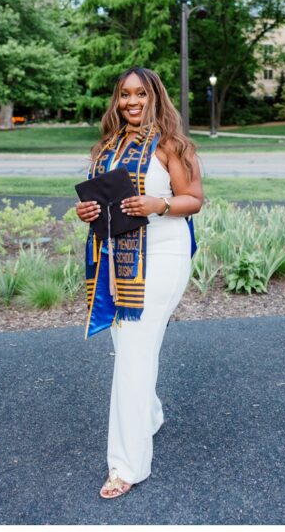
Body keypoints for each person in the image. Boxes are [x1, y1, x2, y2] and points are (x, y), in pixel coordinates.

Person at [75, 67, 203, 499]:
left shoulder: (172, 145)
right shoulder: (108, 146)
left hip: (163, 255)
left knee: (131, 351)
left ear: (155, 97)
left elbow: (194, 200)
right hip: (114, 259)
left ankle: (127, 464)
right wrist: (87, 212)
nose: (132, 101)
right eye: (125, 94)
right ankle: (147, 414)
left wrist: (160, 203)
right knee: (131, 346)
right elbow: (100, 199)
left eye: (141, 94)